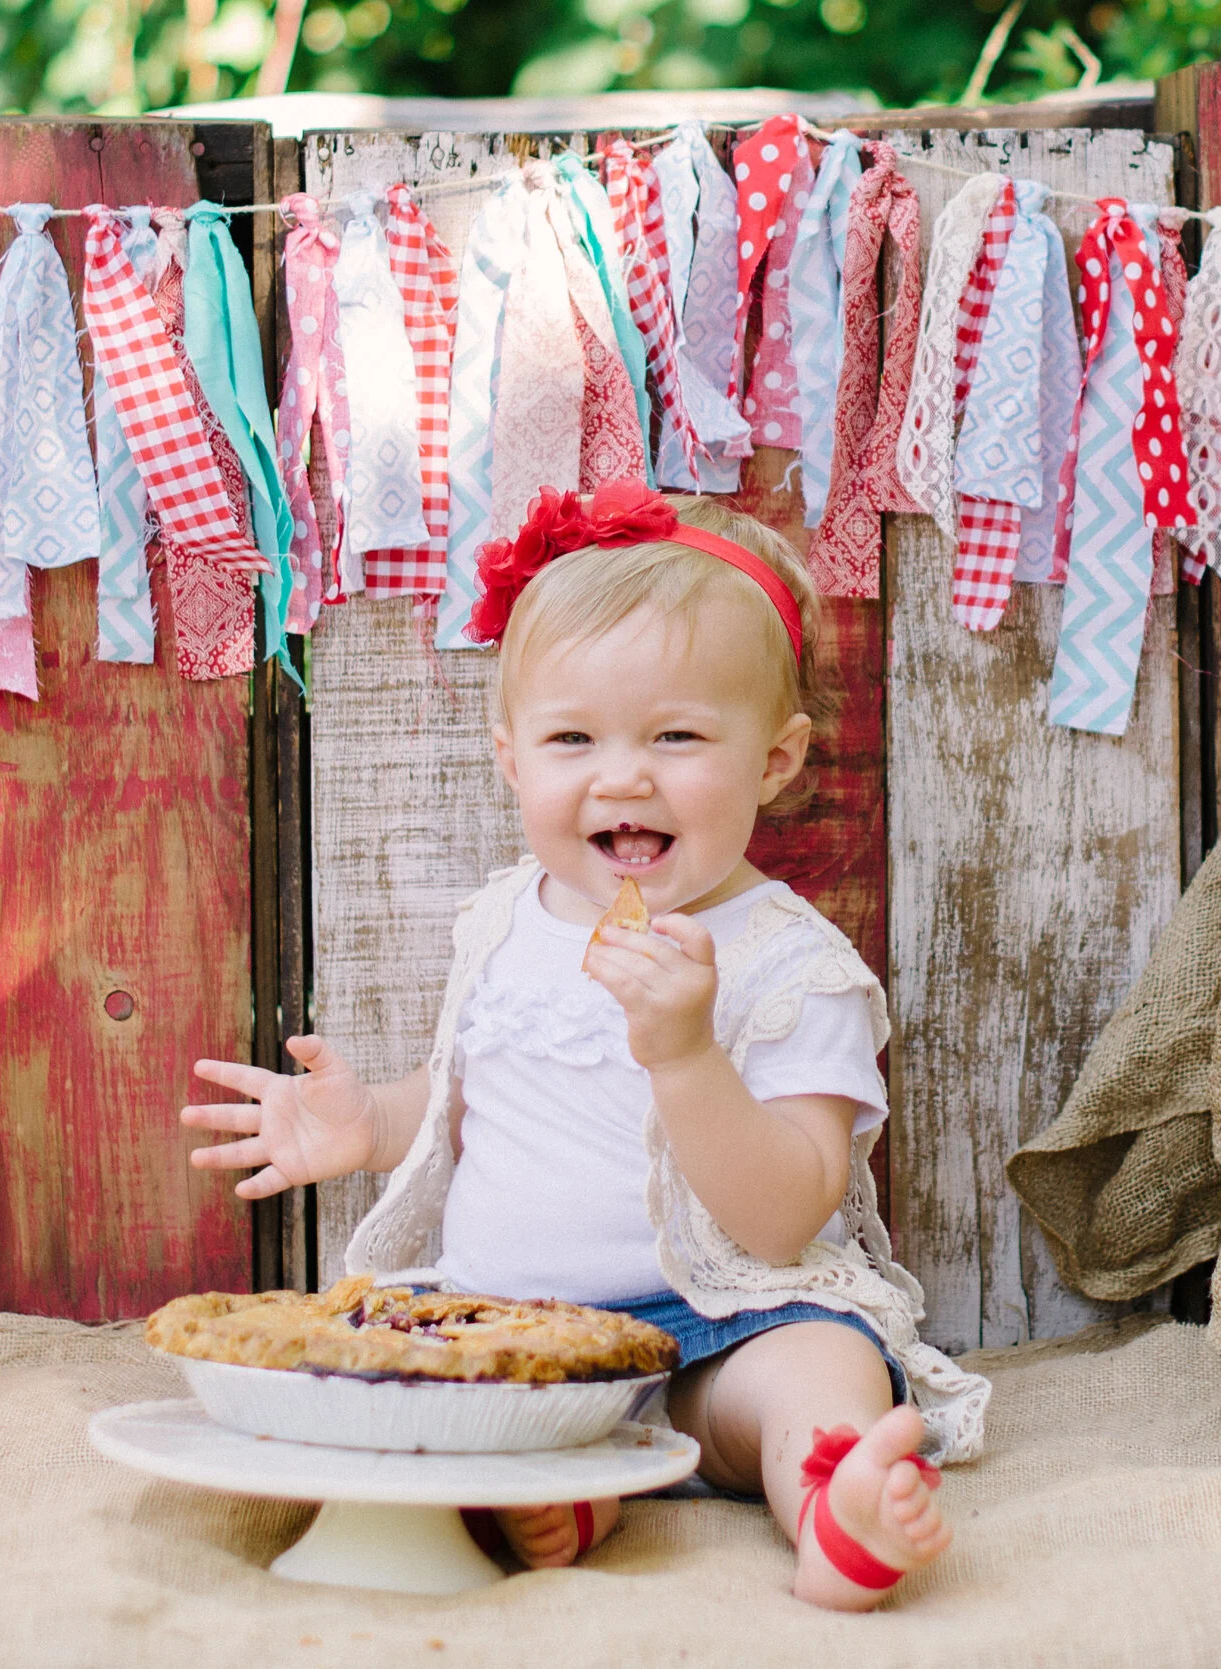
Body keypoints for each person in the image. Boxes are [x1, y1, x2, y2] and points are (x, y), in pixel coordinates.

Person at [180, 481, 988, 1610]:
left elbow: (784, 1214)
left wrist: (686, 1053)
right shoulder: (508, 919)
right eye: (574, 738)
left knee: (822, 1364)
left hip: (722, 1329)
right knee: (419, 1397)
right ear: (512, 760)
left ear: (775, 758)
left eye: (676, 735)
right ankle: (560, 1486)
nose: (623, 775)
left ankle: (834, 1500)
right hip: (519, 1327)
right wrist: (374, 1126)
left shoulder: (787, 960)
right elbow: (481, 1099)